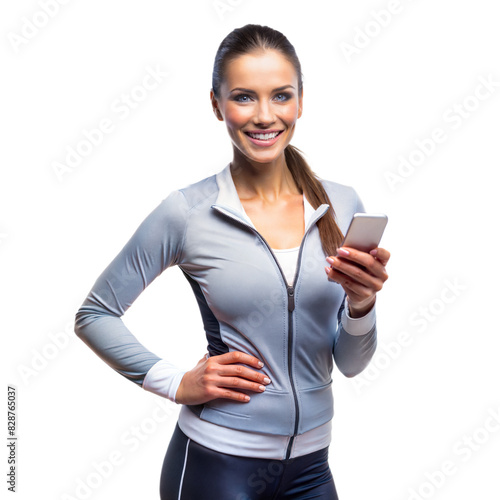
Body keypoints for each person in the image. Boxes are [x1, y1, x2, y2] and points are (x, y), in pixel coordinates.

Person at [74, 23, 390, 500]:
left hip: (312, 469)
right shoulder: (188, 212)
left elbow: (349, 364)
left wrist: (362, 305)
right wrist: (176, 382)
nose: (265, 116)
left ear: (301, 101)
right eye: (244, 97)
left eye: (280, 96)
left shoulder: (342, 205)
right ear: (216, 104)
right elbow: (94, 314)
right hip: (216, 464)